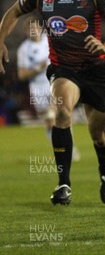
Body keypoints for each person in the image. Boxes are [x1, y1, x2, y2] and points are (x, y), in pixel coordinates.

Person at [0, 0, 105, 205]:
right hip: (64, 69)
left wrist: (104, 46)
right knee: (61, 112)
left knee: (100, 136)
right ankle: (64, 184)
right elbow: (12, 13)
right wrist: (0, 40)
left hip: (95, 71)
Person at [17, 15, 81, 162]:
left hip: (54, 82)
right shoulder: (24, 49)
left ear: (40, 28)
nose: (33, 31)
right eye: (29, 29)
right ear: (26, 32)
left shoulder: (50, 40)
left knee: (59, 115)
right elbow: (21, 75)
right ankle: (62, 149)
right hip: (37, 87)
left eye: (35, 27)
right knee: (49, 122)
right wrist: (38, 69)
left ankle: (69, 149)